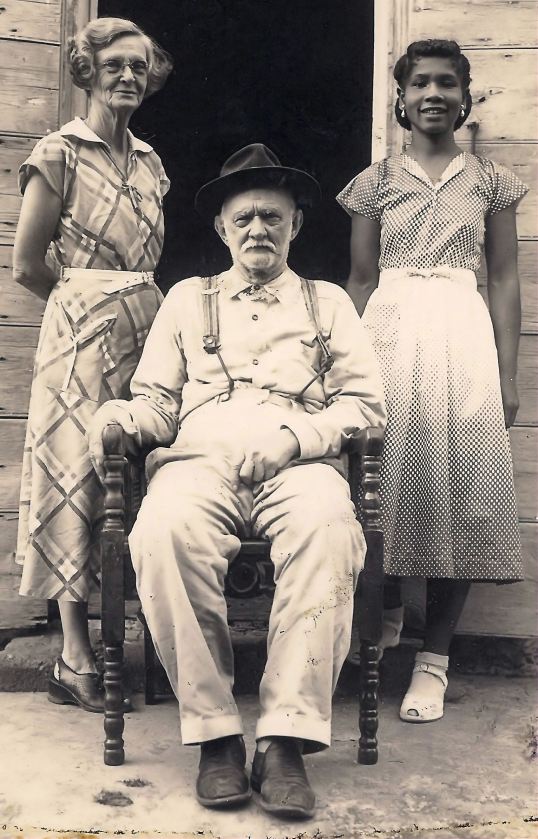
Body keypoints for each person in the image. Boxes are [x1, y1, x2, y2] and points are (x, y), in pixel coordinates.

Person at [88, 143, 385, 818]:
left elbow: (364, 405)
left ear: (296, 226)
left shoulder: (329, 301)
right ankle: (217, 734)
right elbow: (159, 401)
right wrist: (121, 418)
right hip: (199, 459)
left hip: (300, 463)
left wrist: (294, 438)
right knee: (162, 530)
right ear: (222, 227)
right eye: (246, 218)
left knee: (331, 531)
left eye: (273, 218)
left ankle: (283, 738)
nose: (260, 230)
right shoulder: (188, 301)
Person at [337, 39, 527, 724]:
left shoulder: (491, 182)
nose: (434, 95)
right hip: (387, 332)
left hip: (461, 334)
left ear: (466, 96)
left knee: (464, 491)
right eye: (421, 83)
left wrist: (507, 374)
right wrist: (343, 371)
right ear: (402, 97)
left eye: (447, 83)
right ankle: (383, 607)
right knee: (382, 482)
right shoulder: (375, 180)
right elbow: (359, 280)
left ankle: (435, 657)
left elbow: (503, 279)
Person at [13, 17, 173, 712]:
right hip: (79, 335)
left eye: (139, 67)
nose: (129, 78)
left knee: (138, 472)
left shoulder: (150, 161)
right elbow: (26, 265)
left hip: (150, 326)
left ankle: (136, 642)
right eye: (115, 66)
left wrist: (133, 309)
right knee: (76, 478)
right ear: (87, 71)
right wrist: (86, 304)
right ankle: (74, 655)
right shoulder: (59, 152)